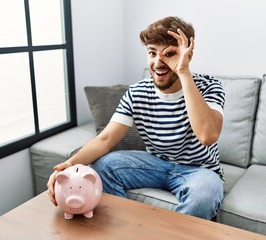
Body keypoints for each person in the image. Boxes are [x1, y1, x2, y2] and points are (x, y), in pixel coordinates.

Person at [47, 16, 225, 220]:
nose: (158, 62)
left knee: (204, 196)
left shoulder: (209, 86)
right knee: (103, 165)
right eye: (152, 53)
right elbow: (104, 140)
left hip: (199, 170)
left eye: (169, 54)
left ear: (187, 55)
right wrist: (68, 165)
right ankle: (127, 229)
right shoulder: (137, 92)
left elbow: (207, 135)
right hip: (154, 164)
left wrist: (183, 72)